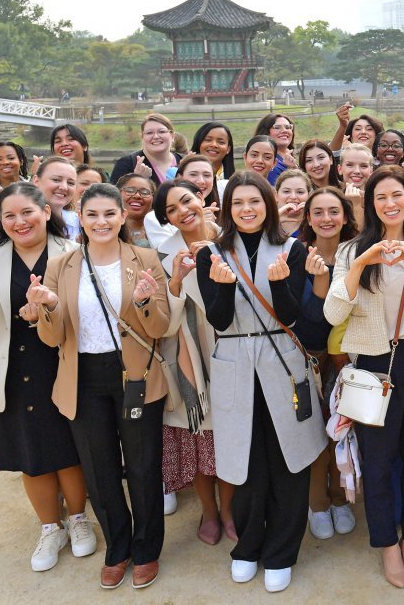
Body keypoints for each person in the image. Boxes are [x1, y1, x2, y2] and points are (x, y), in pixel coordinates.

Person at [29, 183, 174, 590]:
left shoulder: (144, 258)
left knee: (143, 465)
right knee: (99, 467)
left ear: (122, 216)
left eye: (109, 214)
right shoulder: (62, 265)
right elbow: (52, 338)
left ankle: (147, 549)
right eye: (92, 214)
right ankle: (118, 548)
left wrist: (146, 300)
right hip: (82, 376)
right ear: (80, 216)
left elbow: (160, 327)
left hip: (135, 374)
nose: (101, 222)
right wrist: (50, 305)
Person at [194, 171, 325, 593]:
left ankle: (283, 550)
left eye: (255, 201)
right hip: (234, 360)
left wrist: (282, 280)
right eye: (238, 203)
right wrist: (222, 289)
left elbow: (291, 317)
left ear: (268, 204)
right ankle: (248, 545)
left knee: (289, 459)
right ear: (228, 208)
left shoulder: (292, 247)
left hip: (281, 362)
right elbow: (218, 320)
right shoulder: (212, 253)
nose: (247, 209)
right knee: (245, 460)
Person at [0, 183, 95, 573]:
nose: (20, 222)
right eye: (9, 216)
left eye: (27, 212)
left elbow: (88, 316)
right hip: (11, 370)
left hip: (63, 365)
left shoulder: (72, 254)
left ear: (47, 212)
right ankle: (51, 527)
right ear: (0, 221)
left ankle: (79, 519)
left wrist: (49, 312)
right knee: (29, 454)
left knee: (70, 448)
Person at [324, 166, 404, 588]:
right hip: (371, 367)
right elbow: (333, 315)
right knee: (377, 463)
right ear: (370, 204)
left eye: (396, 194)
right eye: (380, 197)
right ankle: (386, 545)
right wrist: (361, 263)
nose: (390, 203)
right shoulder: (350, 251)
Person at [152, 180, 235, 546]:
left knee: (230, 436)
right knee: (199, 436)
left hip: (233, 350)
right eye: (172, 209)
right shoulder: (161, 254)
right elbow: (163, 324)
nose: (183, 211)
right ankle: (209, 510)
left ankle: (230, 510)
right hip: (188, 356)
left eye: (186, 200)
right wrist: (174, 282)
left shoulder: (231, 238)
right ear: (166, 219)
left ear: (201, 198)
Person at [297, 186, 359, 541]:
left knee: (345, 426)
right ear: (308, 218)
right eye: (318, 212)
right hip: (311, 354)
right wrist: (319, 280)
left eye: (333, 211)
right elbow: (308, 318)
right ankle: (316, 502)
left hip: (351, 353)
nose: (326, 219)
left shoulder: (357, 254)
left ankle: (341, 497)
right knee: (315, 428)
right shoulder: (297, 254)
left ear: (346, 217)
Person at [0, 156, 82, 288]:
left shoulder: (82, 224)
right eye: (56, 180)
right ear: (36, 180)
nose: (64, 187)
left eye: (71, 183)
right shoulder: (4, 230)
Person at [110, 114, 181, 186]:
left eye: (161, 131)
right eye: (149, 133)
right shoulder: (126, 164)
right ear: (142, 137)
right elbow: (114, 196)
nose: (156, 136)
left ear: (172, 136)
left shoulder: (184, 162)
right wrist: (137, 180)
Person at [116, 173, 156, 249]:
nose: (137, 196)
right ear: (117, 194)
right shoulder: (109, 229)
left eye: (144, 192)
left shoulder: (163, 228)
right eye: (130, 190)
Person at [253, 113, 296, 182]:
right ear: (266, 133)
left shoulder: (289, 160)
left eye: (288, 127)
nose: (284, 130)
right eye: (277, 127)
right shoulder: (269, 166)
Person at [274, 170, 313, 237]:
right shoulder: (264, 224)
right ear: (276, 196)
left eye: (300, 192)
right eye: (286, 191)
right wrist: (273, 221)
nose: (293, 197)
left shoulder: (316, 224)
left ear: (309, 195)